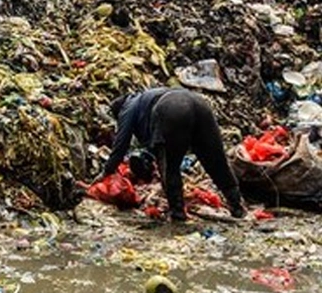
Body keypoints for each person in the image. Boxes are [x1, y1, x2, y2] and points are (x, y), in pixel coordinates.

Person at [100, 87, 245, 221]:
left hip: (172, 108)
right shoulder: (147, 98)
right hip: (199, 103)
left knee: (170, 167)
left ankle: (177, 212)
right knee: (217, 161)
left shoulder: (127, 108)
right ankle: (237, 207)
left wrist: (107, 171)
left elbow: (121, 143)